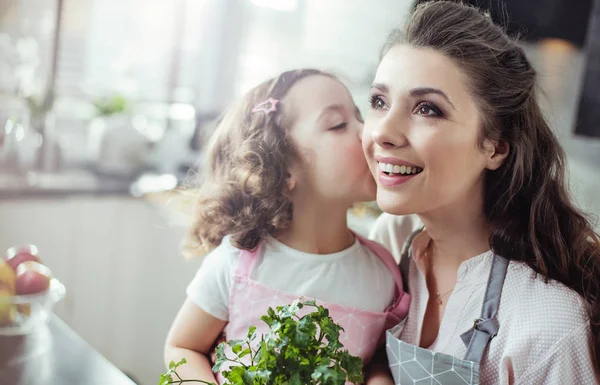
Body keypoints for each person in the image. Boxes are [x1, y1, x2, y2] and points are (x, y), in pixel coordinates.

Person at [362, 2, 600, 384]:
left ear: (496, 146)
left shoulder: (548, 325)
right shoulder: (390, 244)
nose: (382, 132)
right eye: (379, 102)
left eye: (427, 109)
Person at [164, 69, 410, 384]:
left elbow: (374, 359)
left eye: (361, 117)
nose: (368, 133)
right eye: (338, 125)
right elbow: (182, 347)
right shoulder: (238, 264)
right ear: (280, 169)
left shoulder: (384, 274)